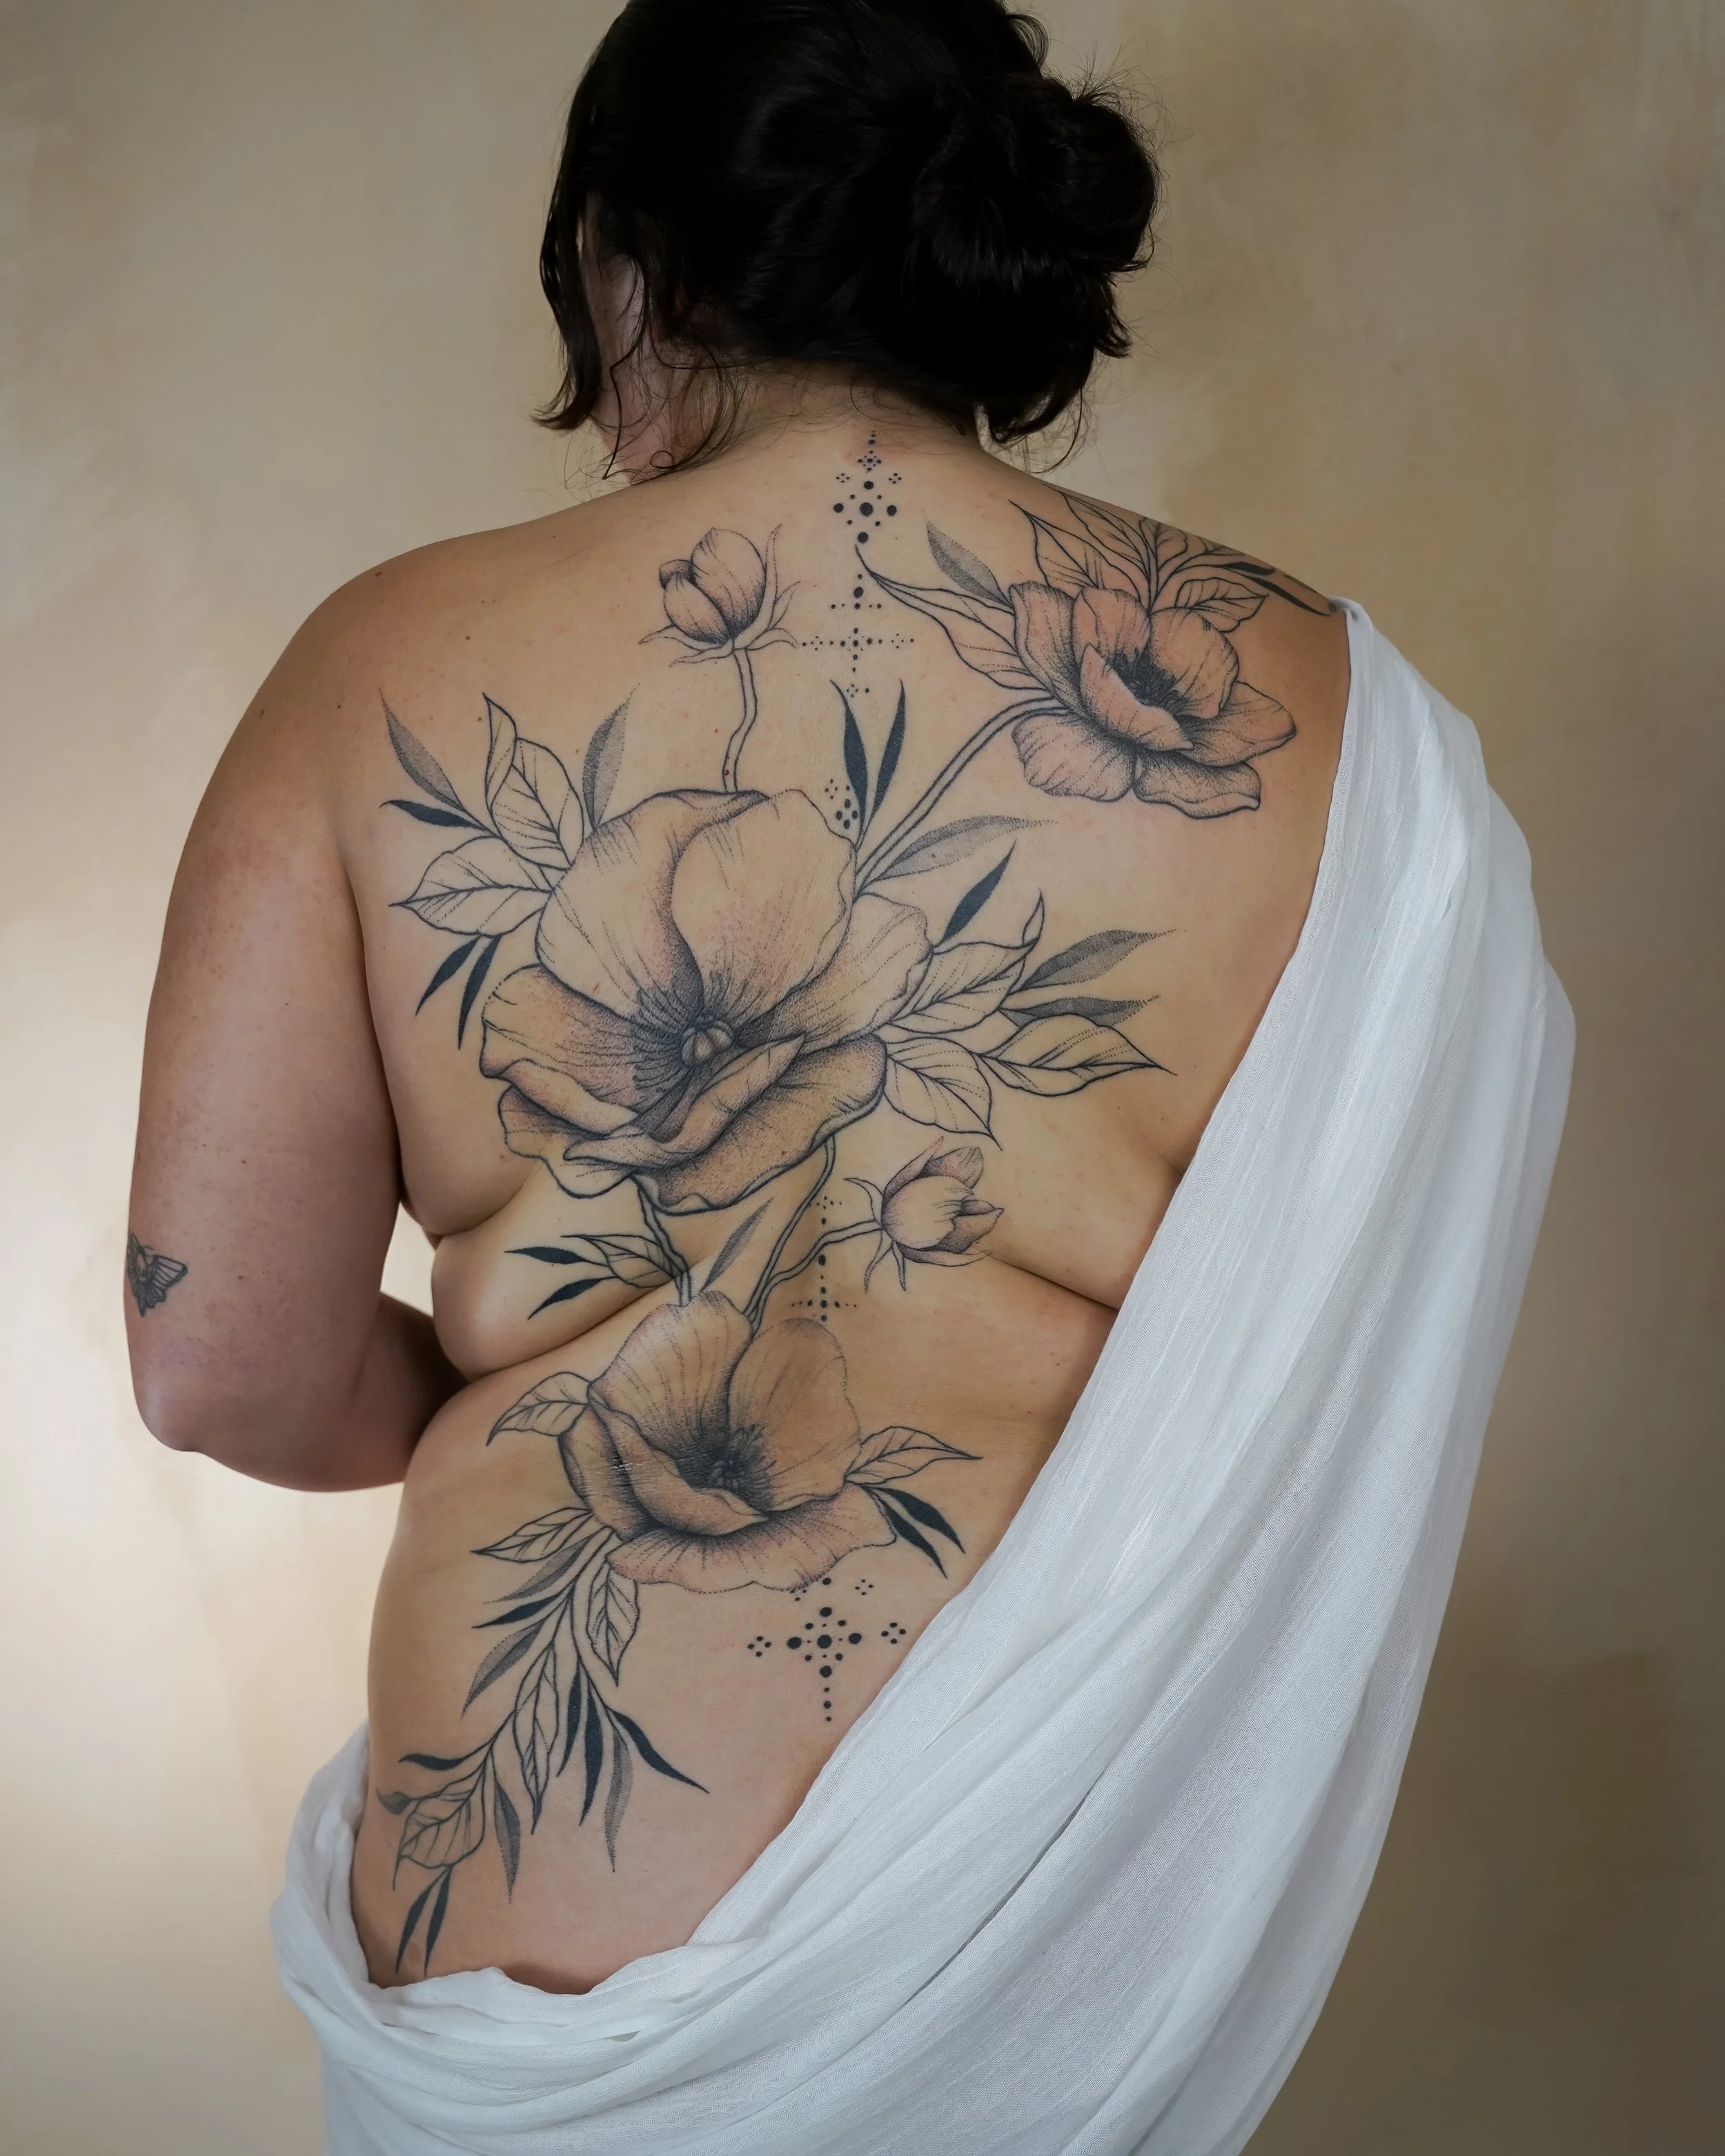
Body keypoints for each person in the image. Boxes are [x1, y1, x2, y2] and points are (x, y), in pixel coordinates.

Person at [126, 5, 1570, 2151]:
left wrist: (549, 1392)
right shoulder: (1336, 722)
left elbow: (222, 1358)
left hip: (527, 1918)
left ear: (624, 275)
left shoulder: (377, 663)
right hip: (1039, 1944)